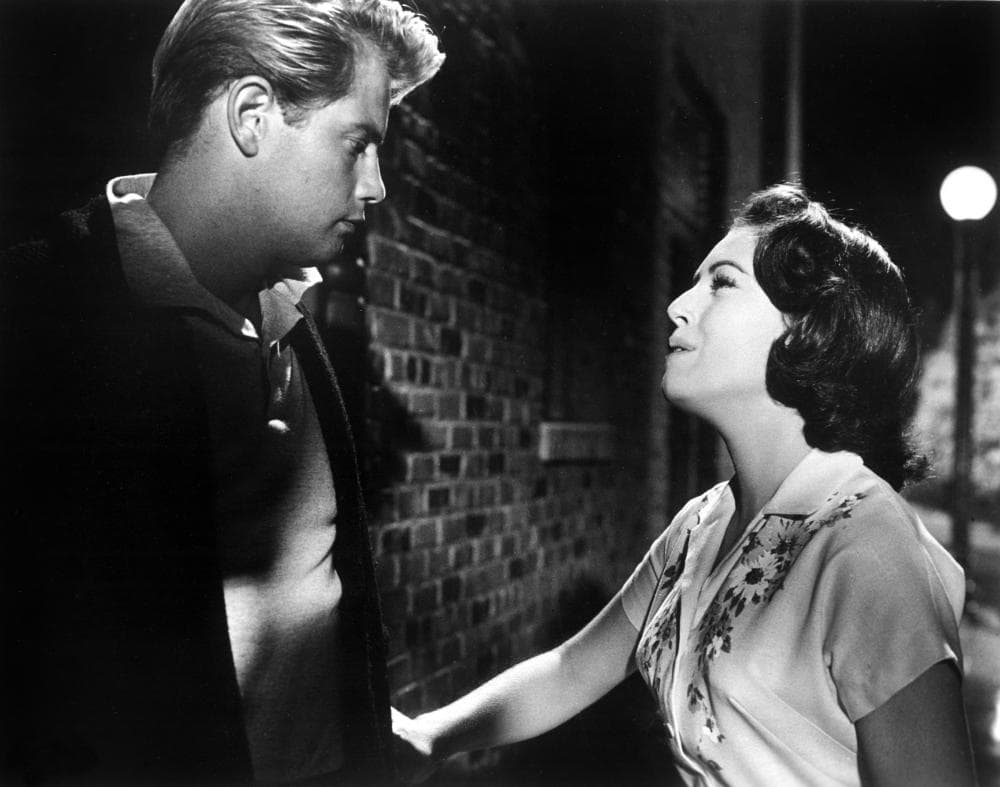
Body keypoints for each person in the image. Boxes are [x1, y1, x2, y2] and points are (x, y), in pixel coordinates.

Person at [392, 184, 977, 786]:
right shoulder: (703, 525)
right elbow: (572, 670)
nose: (678, 305)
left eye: (721, 283)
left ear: (808, 330)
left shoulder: (868, 551)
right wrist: (430, 736)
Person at [0, 1, 442, 784]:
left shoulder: (299, 325)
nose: (375, 186)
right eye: (359, 143)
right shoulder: (38, 320)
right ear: (251, 115)